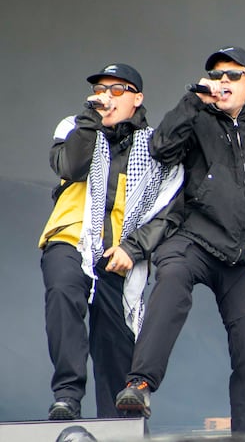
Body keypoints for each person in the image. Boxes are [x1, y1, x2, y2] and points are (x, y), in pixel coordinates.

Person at [115, 46, 245, 433]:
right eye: (216, 74)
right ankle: (140, 384)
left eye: (233, 75)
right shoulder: (197, 118)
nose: (223, 81)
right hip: (193, 239)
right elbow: (162, 149)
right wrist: (193, 101)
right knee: (170, 281)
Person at [40, 63, 183, 420]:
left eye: (117, 90)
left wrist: (133, 248)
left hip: (120, 252)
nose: (106, 96)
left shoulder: (157, 146)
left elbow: (170, 209)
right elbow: (70, 167)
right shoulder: (74, 127)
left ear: (137, 98)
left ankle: (118, 426)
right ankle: (68, 395)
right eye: (101, 89)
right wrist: (91, 118)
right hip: (70, 239)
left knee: (115, 345)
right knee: (62, 293)